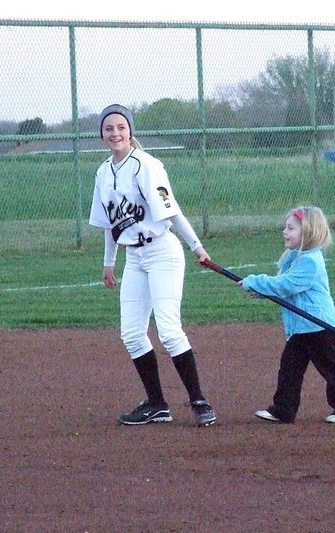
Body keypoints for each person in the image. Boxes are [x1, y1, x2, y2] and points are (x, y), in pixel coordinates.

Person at [88, 104, 217, 427]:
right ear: (101, 135)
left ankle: (199, 401)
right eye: (108, 128)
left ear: (130, 131)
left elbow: (172, 211)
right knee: (131, 333)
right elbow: (109, 225)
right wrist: (108, 263)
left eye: (120, 127)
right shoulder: (103, 172)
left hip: (162, 252)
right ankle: (158, 404)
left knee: (169, 330)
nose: (114, 133)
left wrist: (197, 247)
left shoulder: (147, 165)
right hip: (134, 256)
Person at [239, 206, 335, 424]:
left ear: (308, 232)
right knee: (290, 368)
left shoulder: (310, 261)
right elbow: (286, 290)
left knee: (329, 368)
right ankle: (284, 409)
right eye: (286, 227)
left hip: (318, 325)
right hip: (300, 325)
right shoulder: (295, 257)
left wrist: (254, 282)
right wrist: (263, 292)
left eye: (291, 228)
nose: (285, 231)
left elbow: (287, 285)